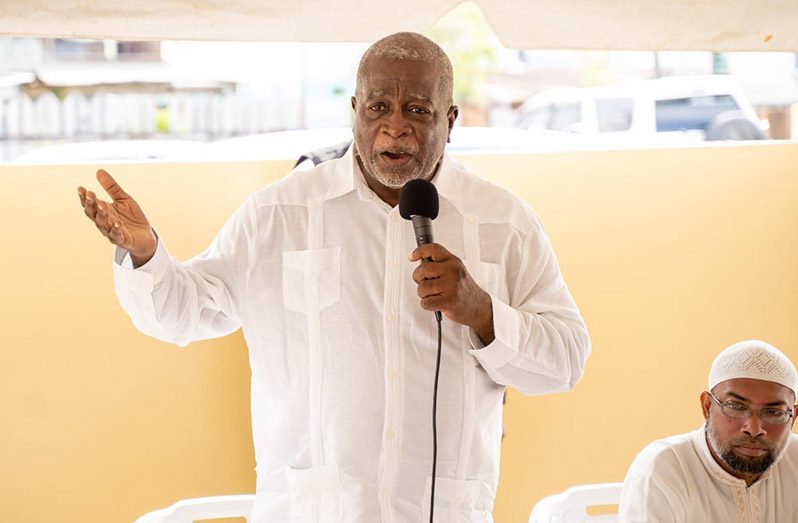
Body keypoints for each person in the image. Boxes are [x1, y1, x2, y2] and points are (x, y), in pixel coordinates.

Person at [77, 32, 590, 522]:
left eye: (417, 110)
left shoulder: (504, 222)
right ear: (354, 112)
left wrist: (484, 313)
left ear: (450, 120)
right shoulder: (280, 213)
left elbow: (566, 359)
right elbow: (182, 313)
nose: (395, 127)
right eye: (377, 108)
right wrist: (145, 254)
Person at [619, 339, 798, 522]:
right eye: (735, 406)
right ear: (707, 406)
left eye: (774, 412)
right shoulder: (662, 470)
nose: (753, 429)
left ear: (793, 417)